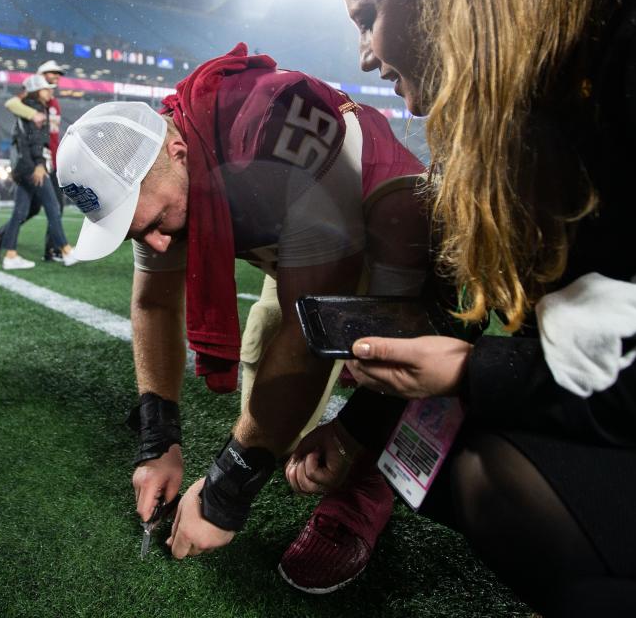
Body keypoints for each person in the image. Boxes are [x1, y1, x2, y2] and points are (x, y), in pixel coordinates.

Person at [284, 0, 636, 616]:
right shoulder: (511, 106)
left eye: (366, 18)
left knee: (501, 484)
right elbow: (467, 307)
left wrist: (479, 372)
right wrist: (360, 429)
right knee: (438, 460)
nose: (363, 54)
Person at [56, 44, 430, 584]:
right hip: (302, 241)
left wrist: (227, 488)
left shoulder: (270, 137)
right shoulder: (162, 163)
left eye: (159, 219)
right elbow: (154, 301)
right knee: (262, 347)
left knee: (381, 357)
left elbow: (309, 332)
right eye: (140, 232)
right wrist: (159, 440)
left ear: (180, 150)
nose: (159, 245)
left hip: (388, 236)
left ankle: (366, 487)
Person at [0, 74, 78, 270]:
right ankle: (66, 250)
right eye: (46, 88)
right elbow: (36, 141)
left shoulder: (27, 109)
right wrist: (40, 164)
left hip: (23, 166)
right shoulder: (37, 109)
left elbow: (23, 139)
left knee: (20, 212)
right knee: (52, 208)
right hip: (34, 167)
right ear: (36, 91)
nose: (51, 91)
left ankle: (10, 254)